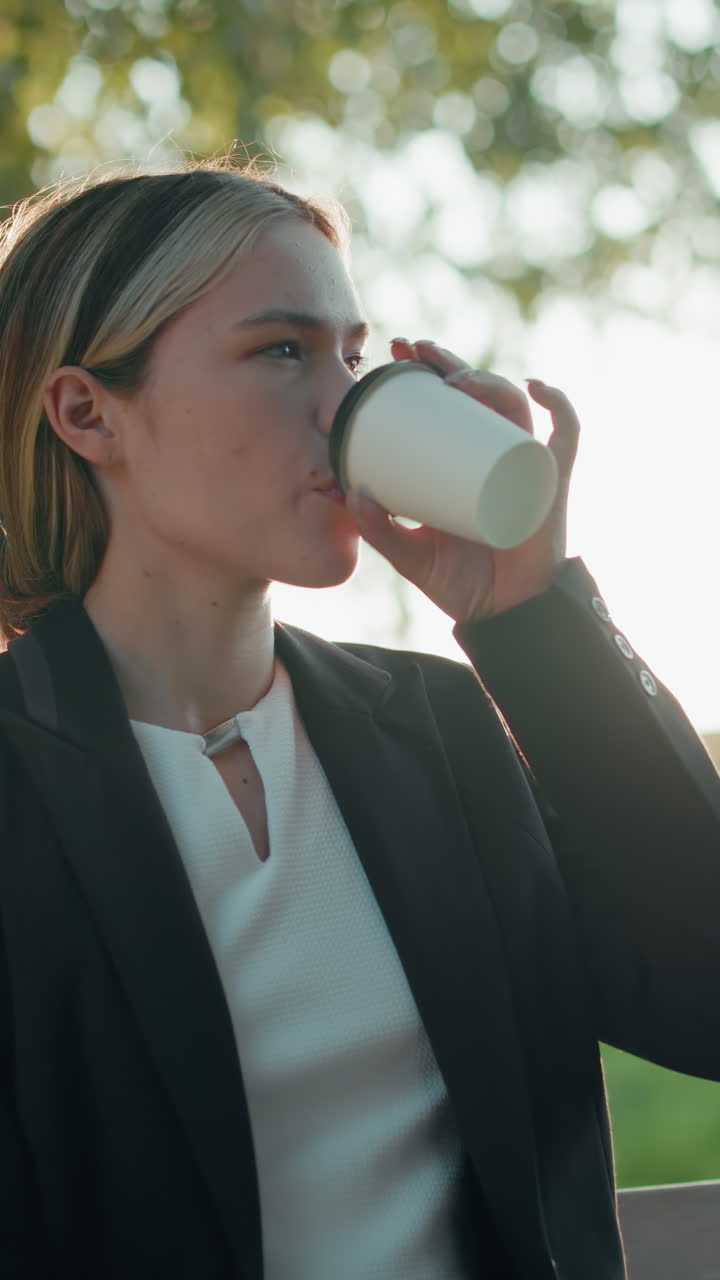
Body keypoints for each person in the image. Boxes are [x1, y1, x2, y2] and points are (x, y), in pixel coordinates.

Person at [0, 161, 718, 1280]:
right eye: (281, 350)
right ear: (90, 413)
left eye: (352, 353)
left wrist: (533, 618)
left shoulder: (434, 729)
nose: (346, 404)